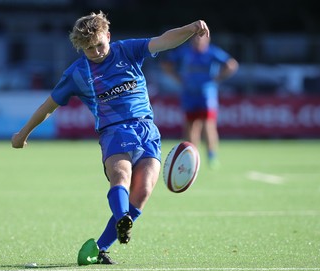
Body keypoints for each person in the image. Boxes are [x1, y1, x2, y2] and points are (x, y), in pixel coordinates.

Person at [11, 11, 209, 265]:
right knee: (121, 176)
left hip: (147, 130)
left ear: (108, 35)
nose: (95, 52)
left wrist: (190, 28)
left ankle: (99, 247)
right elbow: (48, 106)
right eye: (88, 48)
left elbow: (164, 40)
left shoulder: (127, 50)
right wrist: (23, 134)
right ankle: (123, 218)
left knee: (144, 190)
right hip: (114, 131)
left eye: (99, 44)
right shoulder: (77, 73)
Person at [160, 34, 238, 169]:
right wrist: (177, 78)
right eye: (195, 38)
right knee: (190, 126)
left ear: (207, 39)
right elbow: (166, 64)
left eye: (200, 38)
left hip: (206, 95)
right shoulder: (185, 52)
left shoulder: (212, 52)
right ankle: (191, 158)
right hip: (189, 94)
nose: (197, 41)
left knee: (208, 125)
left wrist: (217, 79)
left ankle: (211, 156)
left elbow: (231, 65)